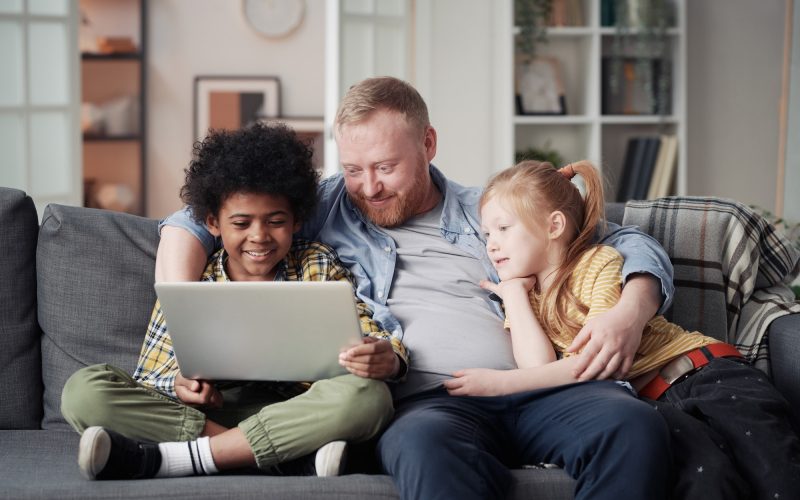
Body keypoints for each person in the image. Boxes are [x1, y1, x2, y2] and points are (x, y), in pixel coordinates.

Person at [157, 77, 676, 499]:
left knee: (633, 428)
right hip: (430, 402)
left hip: (542, 385)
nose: (369, 187)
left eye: (386, 167)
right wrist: (191, 343)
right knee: (420, 445)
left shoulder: (489, 209)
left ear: (428, 144)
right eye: (354, 169)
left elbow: (624, 237)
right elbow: (201, 217)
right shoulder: (319, 210)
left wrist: (630, 311)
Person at [60, 123, 403, 480]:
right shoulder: (194, 282)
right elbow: (152, 375)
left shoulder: (316, 262)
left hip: (296, 411)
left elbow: (369, 333)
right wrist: (180, 383)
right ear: (213, 222)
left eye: (276, 221)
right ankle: (279, 460)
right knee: (83, 393)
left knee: (368, 396)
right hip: (213, 417)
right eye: (241, 223)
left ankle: (179, 459)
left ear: (297, 220)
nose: (259, 236)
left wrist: (382, 353)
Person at [444, 159, 800, 500]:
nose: (491, 243)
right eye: (488, 232)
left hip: (704, 373)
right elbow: (538, 368)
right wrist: (514, 295)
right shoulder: (525, 300)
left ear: (554, 226)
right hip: (654, 401)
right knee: (706, 478)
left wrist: (499, 384)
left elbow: (597, 362)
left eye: (503, 229)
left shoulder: (598, 262)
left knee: (774, 468)